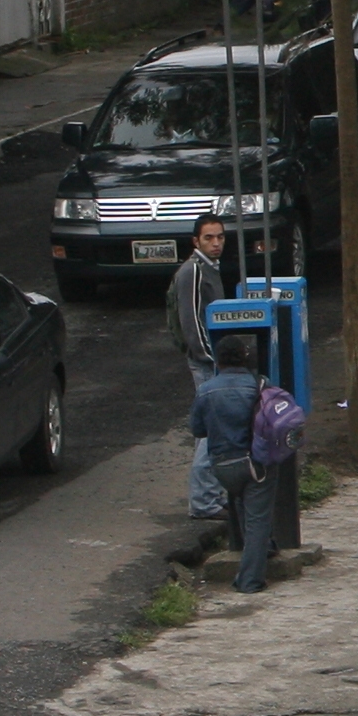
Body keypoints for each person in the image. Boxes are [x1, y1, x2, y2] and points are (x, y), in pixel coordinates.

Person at [189, 333, 275, 594]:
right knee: (258, 519)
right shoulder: (259, 385)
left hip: (223, 466)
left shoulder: (206, 390)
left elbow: (198, 430)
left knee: (239, 503)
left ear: (218, 360)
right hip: (255, 463)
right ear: (245, 357)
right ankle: (250, 580)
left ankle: (261, 550)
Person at [167, 213, 232, 521]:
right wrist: (211, 359)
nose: (216, 242)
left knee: (213, 430)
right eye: (209, 237)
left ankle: (213, 495)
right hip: (207, 363)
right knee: (211, 431)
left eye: (219, 236)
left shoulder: (209, 268)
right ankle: (204, 501)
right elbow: (192, 322)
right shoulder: (192, 272)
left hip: (213, 361)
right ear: (196, 241)